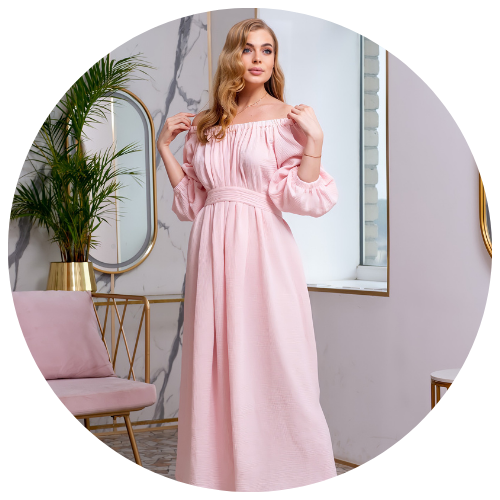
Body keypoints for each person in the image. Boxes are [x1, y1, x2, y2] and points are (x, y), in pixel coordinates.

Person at [157, 18, 339, 492]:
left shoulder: (287, 119)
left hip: (263, 252)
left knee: (279, 362)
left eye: (268, 50)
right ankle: (221, 477)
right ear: (232, 56)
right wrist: (165, 149)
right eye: (248, 49)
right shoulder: (207, 124)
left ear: (275, 60)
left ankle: (293, 476)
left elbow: (303, 198)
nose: (258, 58)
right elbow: (193, 202)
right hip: (210, 253)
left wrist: (315, 143)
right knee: (215, 366)